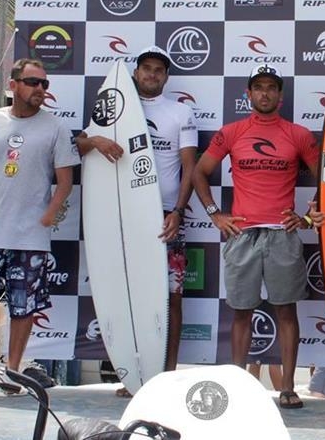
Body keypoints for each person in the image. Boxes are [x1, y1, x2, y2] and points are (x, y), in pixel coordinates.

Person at [192, 64, 320, 410]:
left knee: (286, 312)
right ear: (248, 94)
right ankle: (236, 387)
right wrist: (214, 213)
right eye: (258, 87)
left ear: (280, 95)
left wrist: (308, 216)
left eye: (271, 87)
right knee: (241, 313)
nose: (265, 93)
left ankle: (289, 387)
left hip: (282, 234)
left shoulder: (298, 134)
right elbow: (199, 171)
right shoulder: (232, 132)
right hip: (242, 233)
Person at [76, 46, 198, 393]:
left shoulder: (179, 111)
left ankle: (167, 377)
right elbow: (79, 145)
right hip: (119, 216)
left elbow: (190, 166)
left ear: (166, 76)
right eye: (147, 68)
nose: (152, 75)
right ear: (136, 72)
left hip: (164, 216)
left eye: (159, 70)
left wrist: (177, 210)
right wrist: (96, 139)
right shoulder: (113, 107)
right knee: (124, 290)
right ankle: (132, 373)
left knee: (170, 296)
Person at [0, 58, 79, 378]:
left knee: (24, 307)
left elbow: (66, 180)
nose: (40, 89)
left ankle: (12, 371)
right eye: (33, 82)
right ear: (13, 85)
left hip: (30, 238)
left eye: (44, 84)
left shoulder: (55, 126)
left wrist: (50, 212)